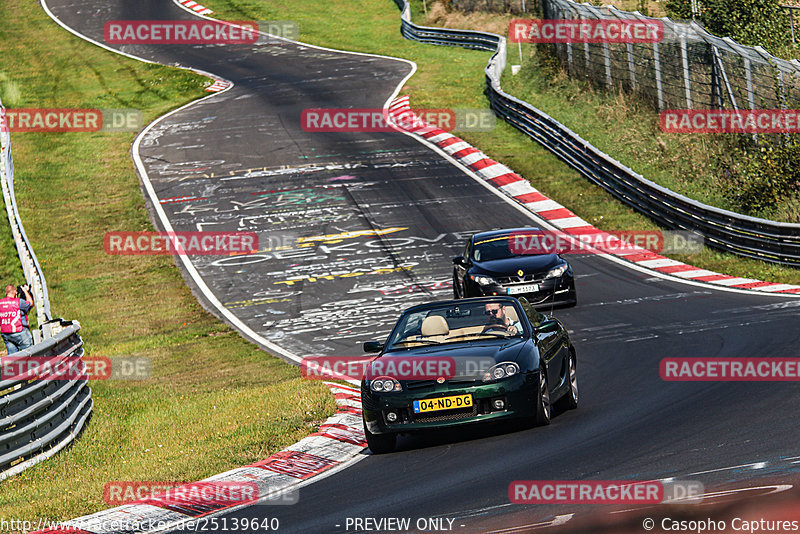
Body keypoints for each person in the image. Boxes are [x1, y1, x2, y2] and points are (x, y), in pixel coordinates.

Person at [0, 284, 34, 353]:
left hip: (6, 333)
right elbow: (30, 303)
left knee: (13, 358)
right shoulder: (19, 302)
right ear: (15, 292)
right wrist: (25, 291)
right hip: (20, 332)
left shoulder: (1, 303)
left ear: (6, 293)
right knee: (29, 353)